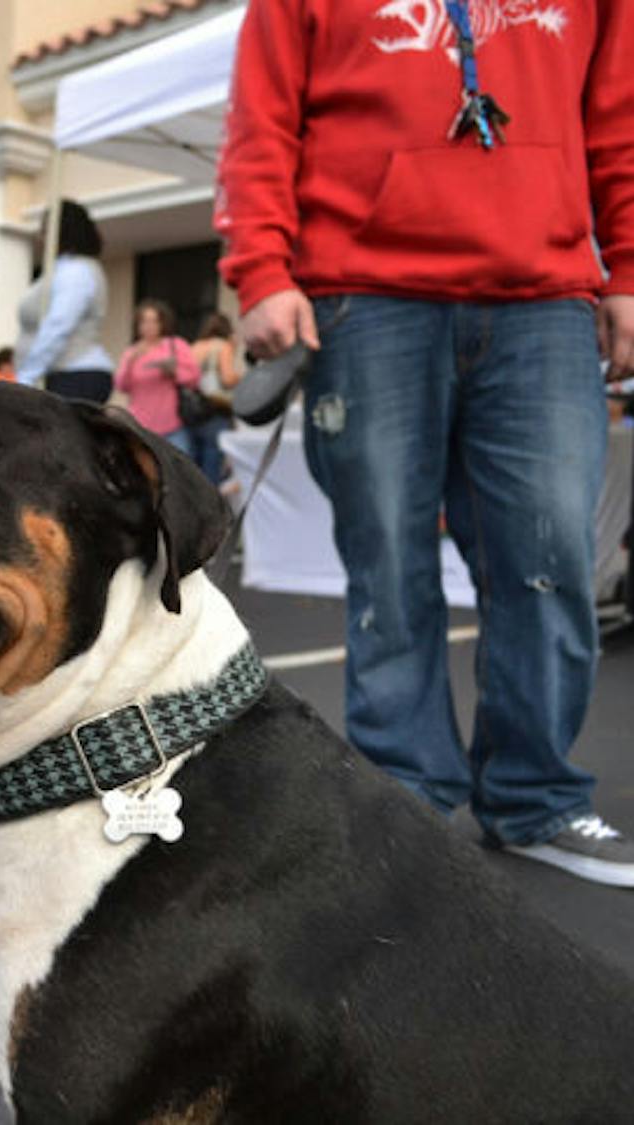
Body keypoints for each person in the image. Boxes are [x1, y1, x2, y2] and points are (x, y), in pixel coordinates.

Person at [218, 0, 634, 886]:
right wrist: (260, 266)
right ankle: (400, 796)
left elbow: (621, 116)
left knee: (553, 555)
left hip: (546, 297)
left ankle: (536, 798)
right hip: (362, 295)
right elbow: (261, 122)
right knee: (388, 564)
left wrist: (630, 266)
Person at [14, 199, 114, 403]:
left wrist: (27, 375)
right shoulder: (63, 269)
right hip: (63, 375)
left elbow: (59, 325)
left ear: (59, 232)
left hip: (74, 376)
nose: (41, 237)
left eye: (44, 229)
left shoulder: (76, 271)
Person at [113, 299, 201, 457]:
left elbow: (194, 378)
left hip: (172, 426)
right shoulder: (132, 351)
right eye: (144, 321)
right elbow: (121, 386)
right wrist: (131, 362)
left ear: (162, 323)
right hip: (140, 427)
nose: (149, 326)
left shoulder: (174, 345)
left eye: (154, 321)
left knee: (179, 473)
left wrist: (174, 373)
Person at [185, 313, 242, 485]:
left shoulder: (194, 346)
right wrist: (241, 377)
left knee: (193, 464)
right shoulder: (222, 346)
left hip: (192, 410)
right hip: (215, 410)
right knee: (212, 467)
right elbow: (227, 378)